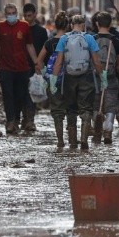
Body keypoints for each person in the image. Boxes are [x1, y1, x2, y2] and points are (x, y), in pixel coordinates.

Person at [50, 14, 103, 150]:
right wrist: (103, 78)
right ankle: (84, 139)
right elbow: (96, 61)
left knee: (71, 109)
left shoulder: (64, 39)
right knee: (86, 108)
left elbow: (58, 62)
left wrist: (53, 81)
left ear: (71, 25)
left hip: (69, 77)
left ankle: (73, 142)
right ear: (83, 25)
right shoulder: (89, 38)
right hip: (86, 76)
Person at [0, 4, 39, 135]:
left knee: (20, 95)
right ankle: (11, 121)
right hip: (5, 67)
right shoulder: (0, 27)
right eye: (8, 13)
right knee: (7, 95)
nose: (11, 15)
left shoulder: (24, 26)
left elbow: (29, 45)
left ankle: (20, 119)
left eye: (13, 13)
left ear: (17, 13)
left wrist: (36, 62)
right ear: (5, 15)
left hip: (22, 67)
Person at [36, 11, 70, 150]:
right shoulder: (71, 40)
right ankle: (74, 140)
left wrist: (45, 75)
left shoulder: (49, 42)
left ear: (55, 25)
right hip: (70, 79)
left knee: (57, 111)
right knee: (71, 110)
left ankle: (60, 140)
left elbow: (38, 62)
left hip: (53, 81)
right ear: (68, 25)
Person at [92, 12, 119, 145]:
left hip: (95, 77)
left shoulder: (92, 39)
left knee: (95, 104)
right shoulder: (115, 39)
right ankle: (108, 131)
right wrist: (117, 70)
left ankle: (96, 130)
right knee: (110, 104)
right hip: (110, 76)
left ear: (97, 24)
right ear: (110, 24)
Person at [20, 3, 49, 131]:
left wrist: (42, 65)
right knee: (22, 93)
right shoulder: (20, 30)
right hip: (21, 65)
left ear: (35, 14)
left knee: (32, 93)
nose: (27, 18)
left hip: (35, 66)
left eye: (30, 15)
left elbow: (45, 49)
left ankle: (30, 120)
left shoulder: (41, 31)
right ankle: (24, 118)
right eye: (25, 16)